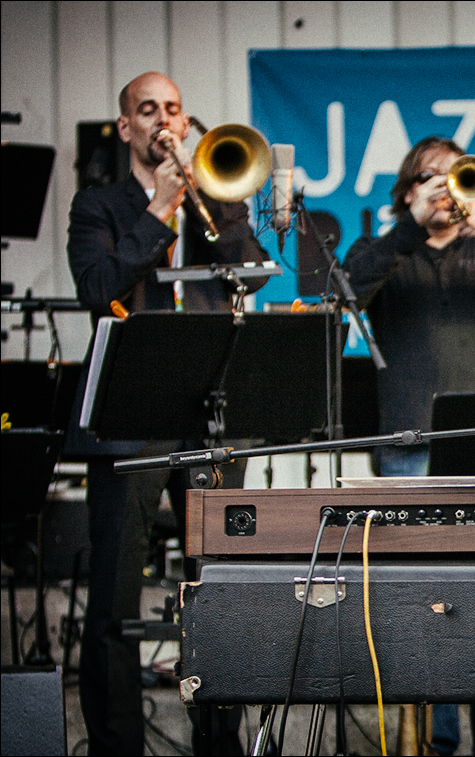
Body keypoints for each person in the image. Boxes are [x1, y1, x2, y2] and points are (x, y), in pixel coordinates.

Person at [66, 71, 269, 754]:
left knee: (218, 588)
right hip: (131, 412)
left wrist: (207, 200)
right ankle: (117, 742)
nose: (163, 119)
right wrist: (157, 210)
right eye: (147, 109)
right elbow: (97, 285)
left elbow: (252, 271)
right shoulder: (98, 207)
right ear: (126, 127)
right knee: (115, 594)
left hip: (211, 407)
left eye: (174, 109)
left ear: (186, 124)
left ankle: (219, 740)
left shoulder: (217, 197)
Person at [342, 136, 475, 754]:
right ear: (406, 192)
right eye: (428, 179)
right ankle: (431, 741)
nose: (444, 188)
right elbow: (348, 291)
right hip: (407, 439)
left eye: (453, 177)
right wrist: (412, 227)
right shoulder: (385, 249)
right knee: (421, 596)